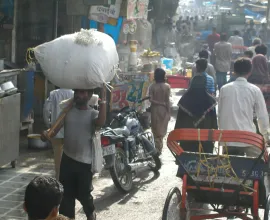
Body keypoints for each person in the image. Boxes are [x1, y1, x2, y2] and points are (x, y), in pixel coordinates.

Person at [42, 86, 107, 220]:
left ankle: (90, 212)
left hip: (84, 163)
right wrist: (46, 134)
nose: (78, 95)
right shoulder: (67, 111)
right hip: (67, 159)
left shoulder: (92, 114)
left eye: (82, 92)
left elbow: (101, 122)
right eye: (76, 92)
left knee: (84, 195)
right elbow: (54, 129)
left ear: (89, 95)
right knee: (66, 196)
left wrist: (104, 99)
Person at [218, 58, 270, 156]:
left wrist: (223, 135)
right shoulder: (255, 90)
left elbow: (220, 114)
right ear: (250, 72)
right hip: (248, 139)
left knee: (229, 167)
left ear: (234, 72)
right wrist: (266, 136)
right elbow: (262, 116)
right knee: (260, 164)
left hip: (228, 139)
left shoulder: (224, 89)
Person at [175, 75, 217, 153]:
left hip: (187, 138)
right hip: (205, 139)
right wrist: (214, 136)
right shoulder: (210, 101)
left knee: (187, 161)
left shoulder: (184, 99)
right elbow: (213, 121)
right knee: (205, 161)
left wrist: (176, 136)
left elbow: (179, 120)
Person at [43, 88, 74, 180]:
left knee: (58, 158)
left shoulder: (53, 94)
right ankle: (69, 178)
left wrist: (48, 125)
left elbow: (46, 110)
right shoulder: (73, 94)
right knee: (70, 155)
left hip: (55, 130)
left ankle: (58, 178)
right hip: (69, 131)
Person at [149, 68, 171, 154]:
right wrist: (169, 112)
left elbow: (151, 99)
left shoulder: (152, 86)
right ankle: (159, 148)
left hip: (155, 109)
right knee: (162, 130)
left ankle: (157, 149)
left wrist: (159, 103)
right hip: (164, 110)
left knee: (155, 129)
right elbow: (168, 101)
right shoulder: (167, 86)